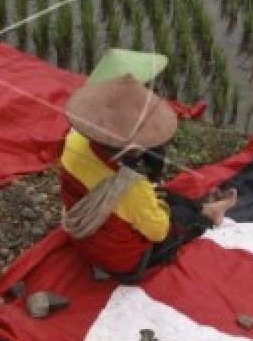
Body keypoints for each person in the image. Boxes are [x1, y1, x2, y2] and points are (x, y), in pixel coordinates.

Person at [59, 74, 237, 282]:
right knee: (176, 218)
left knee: (161, 195)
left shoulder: (73, 141)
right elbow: (160, 232)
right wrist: (157, 205)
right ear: (133, 149)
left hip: (84, 236)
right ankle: (209, 213)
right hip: (122, 264)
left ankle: (202, 208)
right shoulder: (133, 189)